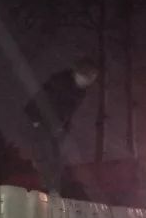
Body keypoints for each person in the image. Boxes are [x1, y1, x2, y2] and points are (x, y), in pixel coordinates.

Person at [24, 58, 98, 192]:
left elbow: (68, 111)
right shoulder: (60, 82)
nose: (85, 83)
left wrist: (65, 127)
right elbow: (42, 98)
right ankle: (44, 182)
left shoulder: (80, 91)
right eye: (84, 79)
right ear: (77, 73)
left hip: (56, 125)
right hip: (38, 118)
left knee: (59, 155)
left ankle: (53, 187)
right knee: (46, 151)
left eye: (89, 81)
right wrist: (35, 119)